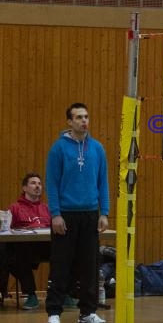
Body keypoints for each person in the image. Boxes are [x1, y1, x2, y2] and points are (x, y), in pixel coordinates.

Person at [45, 102, 110, 323]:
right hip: (65, 214)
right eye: (79, 117)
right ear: (69, 122)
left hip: (90, 214)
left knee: (90, 266)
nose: (84, 121)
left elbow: (103, 183)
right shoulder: (58, 148)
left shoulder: (97, 148)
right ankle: (54, 312)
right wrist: (55, 214)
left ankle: (88, 312)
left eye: (86, 116)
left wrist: (104, 212)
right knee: (61, 265)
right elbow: (52, 184)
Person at [7, 172, 51, 310]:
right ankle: (31, 295)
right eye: (33, 183)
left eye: (39, 184)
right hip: (24, 248)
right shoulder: (14, 208)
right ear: (24, 188)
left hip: (45, 246)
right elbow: (6, 230)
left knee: (65, 251)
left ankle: (62, 293)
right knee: (18, 254)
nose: (37, 186)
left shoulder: (47, 208)